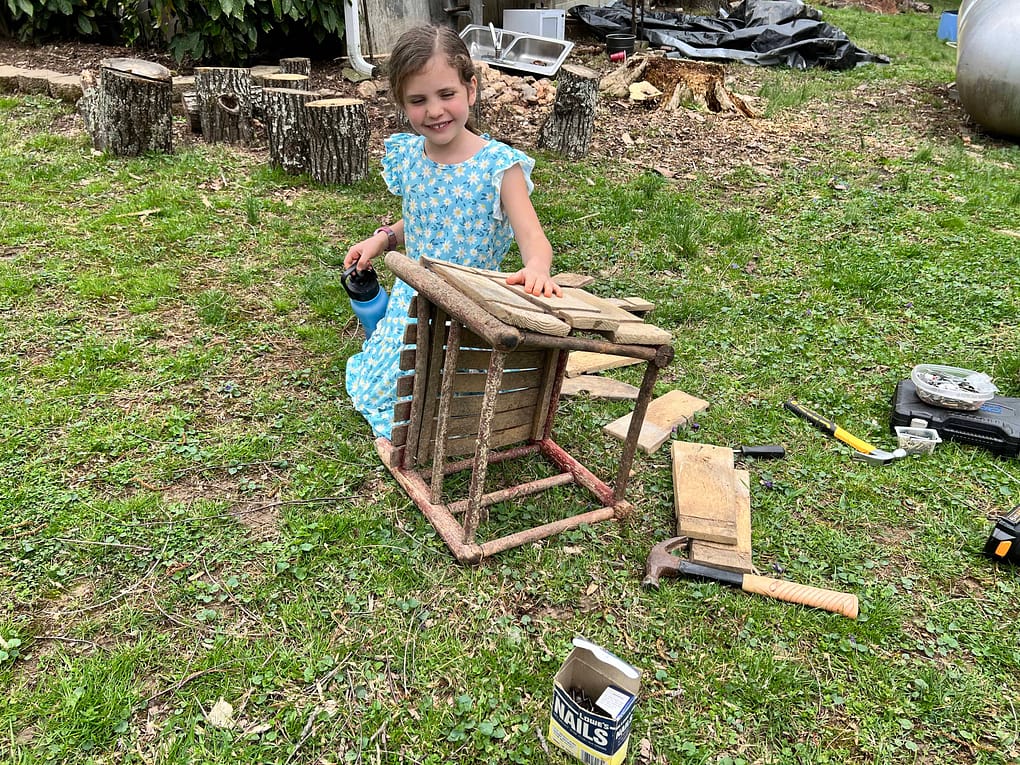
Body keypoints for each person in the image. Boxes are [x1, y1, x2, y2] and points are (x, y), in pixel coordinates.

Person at [343, 23, 562, 440]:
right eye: (418, 100)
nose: (435, 111)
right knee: (392, 392)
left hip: (468, 304)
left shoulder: (500, 166)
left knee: (454, 407)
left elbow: (534, 239)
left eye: (446, 95)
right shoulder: (409, 155)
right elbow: (428, 216)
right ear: (402, 104)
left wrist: (537, 267)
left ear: (471, 90)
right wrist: (384, 238)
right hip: (414, 298)